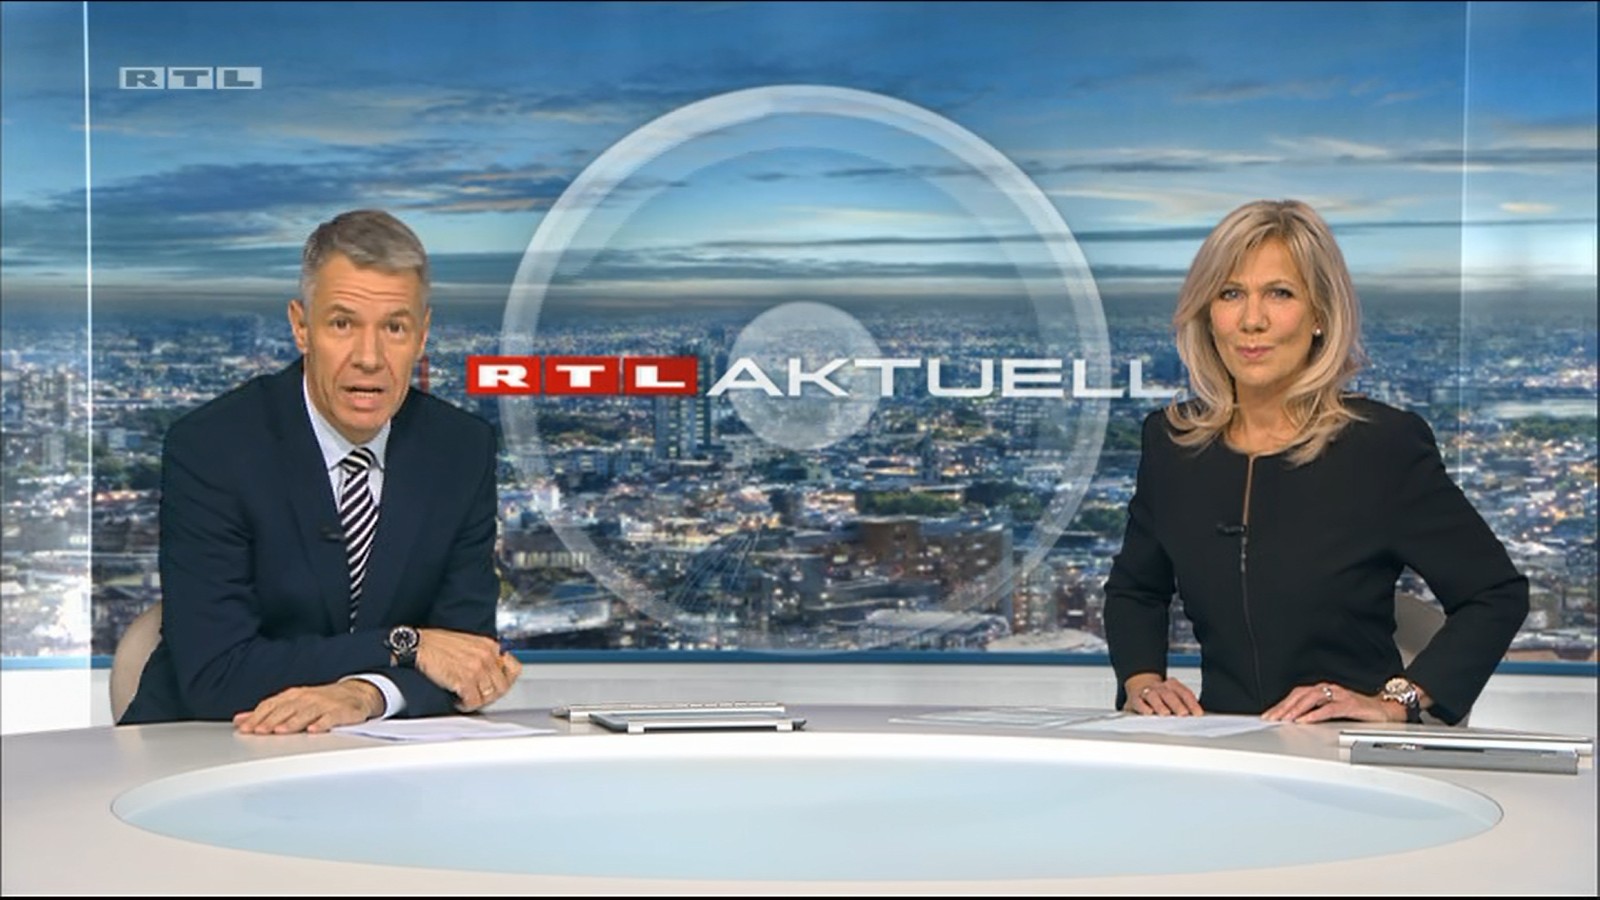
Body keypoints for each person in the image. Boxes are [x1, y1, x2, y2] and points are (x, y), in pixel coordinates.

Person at [1103, 199, 1527, 726]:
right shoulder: (1172, 444)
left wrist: (1397, 701)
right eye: (1230, 293)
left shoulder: (1382, 446)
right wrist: (1142, 682)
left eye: (1279, 293)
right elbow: (1136, 590)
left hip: (1344, 749)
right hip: (1223, 743)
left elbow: (1495, 593)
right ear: (1207, 314)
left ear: (1321, 315)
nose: (1252, 320)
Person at [121, 209, 523, 733]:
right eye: (342, 324)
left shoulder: (459, 450)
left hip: (376, 752)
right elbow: (216, 674)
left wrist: (366, 694)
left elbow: (465, 661)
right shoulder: (213, 447)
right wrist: (405, 646)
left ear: (422, 336)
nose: (369, 357)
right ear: (301, 327)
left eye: (394, 327)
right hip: (203, 740)